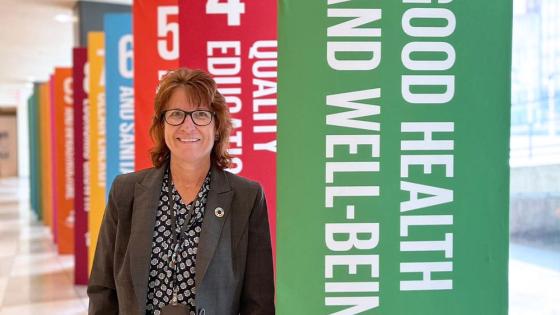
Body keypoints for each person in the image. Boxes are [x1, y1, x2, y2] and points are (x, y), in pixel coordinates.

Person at [88, 68, 275, 315]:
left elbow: (258, 301)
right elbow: (103, 289)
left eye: (200, 114)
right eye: (176, 114)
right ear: (162, 125)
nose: (188, 126)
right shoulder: (127, 191)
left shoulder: (246, 197)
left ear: (217, 126)